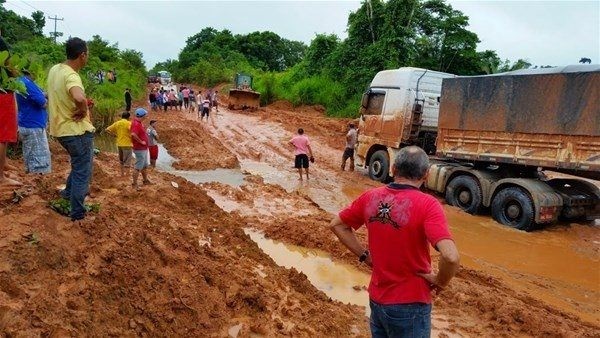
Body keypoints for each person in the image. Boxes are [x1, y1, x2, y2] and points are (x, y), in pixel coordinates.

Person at [330, 146, 460, 338]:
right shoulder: (428, 205)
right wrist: (440, 281)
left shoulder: (370, 197)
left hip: (377, 299)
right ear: (426, 174)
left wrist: (365, 256)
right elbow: (450, 256)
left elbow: (337, 225)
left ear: (393, 170)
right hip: (411, 305)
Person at [47, 37, 95, 222]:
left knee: (78, 166)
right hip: (76, 132)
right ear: (82, 55)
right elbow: (79, 97)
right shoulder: (72, 75)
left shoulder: (55, 70)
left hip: (60, 130)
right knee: (84, 171)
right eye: (87, 54)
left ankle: (67, 194)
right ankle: (77, 214)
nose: (87, 57)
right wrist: (83, 109)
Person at [16, 68, 52, 175]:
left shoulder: (21, 81)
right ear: (30, 71)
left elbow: (41, 94)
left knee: (30, 157)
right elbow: (43, 103)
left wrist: (46, 94)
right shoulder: (28, 84)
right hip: (33, 126)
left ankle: (30, 182)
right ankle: (37, 186)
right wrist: (47, 99)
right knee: (40, 163)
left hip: (26, 123)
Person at [0, 28, 22, 186]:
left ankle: (4, 164)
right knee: (2, 135)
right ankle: (1, 177)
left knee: (4, 135)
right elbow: (11, 68)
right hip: (3, 92)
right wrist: (17, 75)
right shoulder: (1, 43)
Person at [105, 112, 133, 176]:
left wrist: (114, 135)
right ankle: (127, 175)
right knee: (127, 161)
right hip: (127, 144)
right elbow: (133, 133)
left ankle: (122, 174)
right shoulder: (129, 123)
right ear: (128, 117)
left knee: (121, 160)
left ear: (122, 117)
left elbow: (107, 130)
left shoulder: (117, 123)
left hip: (119, 144)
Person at [130, 108, 151, 189]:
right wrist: (141, 142)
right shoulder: (136, 124)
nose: (146, 116)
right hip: (140, 148)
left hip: (143, 148)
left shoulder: (139, 123)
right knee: (138, 167)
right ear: (143, 115)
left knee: (144, 165)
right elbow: (133, 134)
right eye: (145, 114)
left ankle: (145, 180)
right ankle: (134, 184)